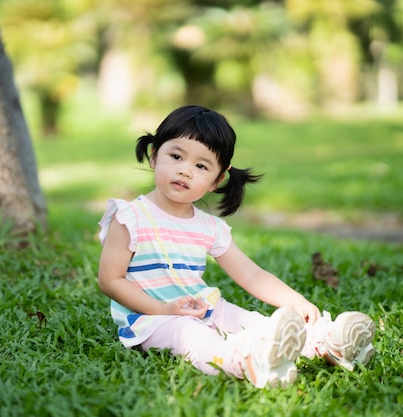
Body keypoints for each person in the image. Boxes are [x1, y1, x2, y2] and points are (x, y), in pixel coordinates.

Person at [97, 105, 376, 388]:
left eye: (201, 166)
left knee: (248, 320)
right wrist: (163, 308)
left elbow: (251, 275)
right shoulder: (130, 217)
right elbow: (110, 280)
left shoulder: (208, 227)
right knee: (191, 336)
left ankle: (326, 343)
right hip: (150, 318)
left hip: (202, 305)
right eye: (176, 156)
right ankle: (247, 362)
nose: (185, 170)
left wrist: (295, 301)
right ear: (155, 155)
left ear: (217, 180)